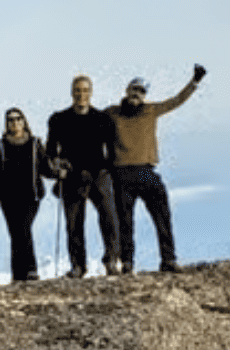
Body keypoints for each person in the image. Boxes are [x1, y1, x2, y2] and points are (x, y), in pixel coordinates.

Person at [107, 65, 206, 274]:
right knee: (125, 220)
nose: (136, 94)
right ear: (127, 90)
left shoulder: (150, 110)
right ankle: (127, 263)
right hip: (122, 172)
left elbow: (177, 100)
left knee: (162, 214)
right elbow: (90, 122)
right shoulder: (112, 113)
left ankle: (168, 259)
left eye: (141, 91)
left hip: (146, 170)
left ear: (144, 96)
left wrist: (194, 81)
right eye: (134, 89)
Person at [45, 75, 120, 277]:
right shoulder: (58, 119)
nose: (81, 94)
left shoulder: (103, 119)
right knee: (74, 224)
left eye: (85, 90)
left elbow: (112, 152)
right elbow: (50, 151)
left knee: (109, 219)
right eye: (77, 90)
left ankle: (111, 260)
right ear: (72, 92)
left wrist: (108, 173)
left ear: (91, 92)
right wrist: (57, 167)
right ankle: (78, 266)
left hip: (99, 174)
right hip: (71, 176)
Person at [0, 108, 49, 282]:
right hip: (8, 198)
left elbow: (45, 167)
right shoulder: (0, 146)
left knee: (22, 229)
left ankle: (30, 270)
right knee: (16, 233)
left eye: (18, 119)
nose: (14, 122)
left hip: (31, 196)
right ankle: (19, 274)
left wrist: (59, 172)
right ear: (6, 124)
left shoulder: (35, 143)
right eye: (10, 120)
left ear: (24, 121)